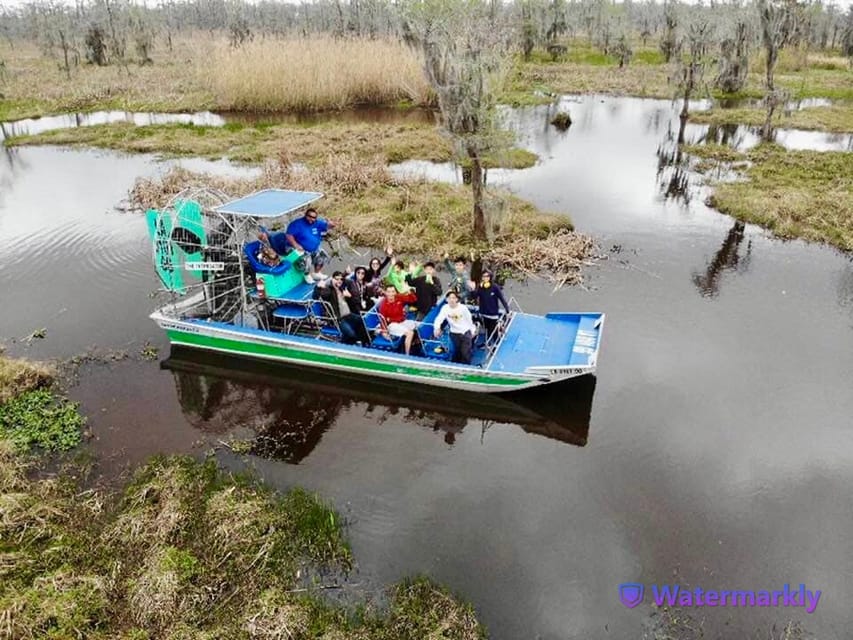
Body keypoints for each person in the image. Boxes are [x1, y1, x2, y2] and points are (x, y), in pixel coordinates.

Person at [260, 208, 336, 284]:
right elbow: (289, 235)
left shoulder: (317, 223)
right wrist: (296, 245)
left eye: (314, 218)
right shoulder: (296, 224)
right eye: (310, 216)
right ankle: (307, 275)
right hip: (294, 247)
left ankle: (316, 273)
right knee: (306, 258)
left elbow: (327, 226)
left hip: (313, 248)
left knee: (322, 255)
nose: (312, 219)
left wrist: (331, 225)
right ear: (305, 215)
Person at [313, 272, 370, 345]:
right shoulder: (328, 290)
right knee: (351, 334)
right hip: (337, 318)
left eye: (341, 279)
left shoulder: (342, 288)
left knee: (361, 320)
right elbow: (316, 297)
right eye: (337, 279)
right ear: (332, 279)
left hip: (347, 314)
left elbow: (350, 283)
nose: (339, 281)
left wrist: (349, 296)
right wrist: (317, 287)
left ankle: (363, 341)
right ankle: (343, 344)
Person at [433, 290, 477, 365]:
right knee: (457, 351)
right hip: (454, 333)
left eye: (453, 298)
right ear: (446, 300)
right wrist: (436, 328)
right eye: (449, 298)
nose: (451, 300)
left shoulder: (463, 308)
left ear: (457, 299)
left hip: (465, 333)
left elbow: (469, 320)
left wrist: (472, 330)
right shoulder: (445, 308)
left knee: (465, 353)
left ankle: (466, 368)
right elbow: (439, 318)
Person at [378, 284, 419, 355]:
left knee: (420, 326)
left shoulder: (399, 297)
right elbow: (382, 319)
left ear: (395, 292)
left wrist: (409, 291)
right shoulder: (383, 305)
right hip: (392, 325)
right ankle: (407, 355)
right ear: (386, 292)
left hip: (402, 321)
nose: (391, 294)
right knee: (410, 333)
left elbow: (413, 299)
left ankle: (415, 343)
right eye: (389, 292)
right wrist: (384, 332)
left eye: (393, 291)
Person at [474, 270, 510, 344]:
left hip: (493, 314)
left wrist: (507, 310)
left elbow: (502, 298)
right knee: (487, 330)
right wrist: (473, 290)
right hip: (483, 313)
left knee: (494, 331)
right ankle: (488, 343)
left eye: (487, 276)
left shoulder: (495, 287)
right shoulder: (480, 287)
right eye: (484, 276)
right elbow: (474, 296)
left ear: (490, 277)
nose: (485, 278)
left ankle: (496, 344)